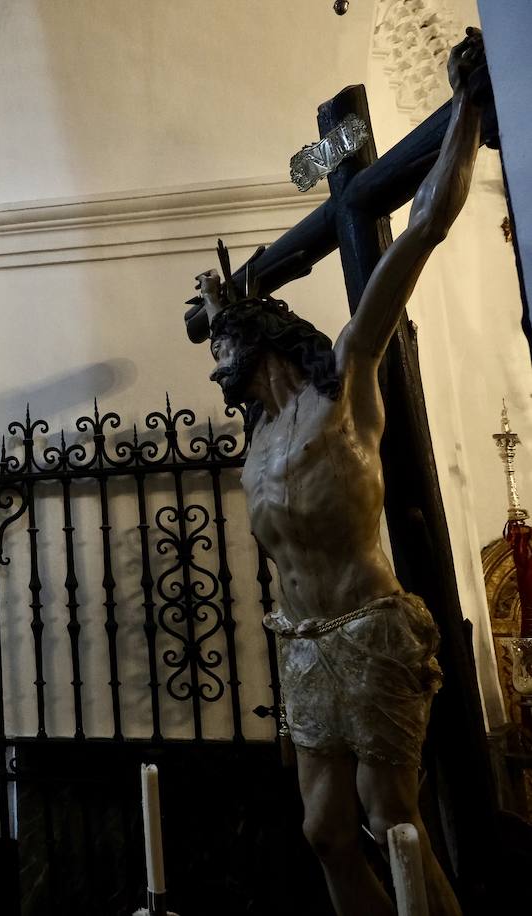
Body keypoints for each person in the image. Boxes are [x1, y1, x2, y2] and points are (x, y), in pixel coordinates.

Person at [182, 32, 486, 916]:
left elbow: (423, 225)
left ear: (261, 334)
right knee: (322, 829)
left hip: (373, 627)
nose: (214, 368)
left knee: (393, 818)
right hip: (305, 645)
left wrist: (467, 109)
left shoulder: (347, 379)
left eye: (222, 345)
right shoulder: (259, 440)